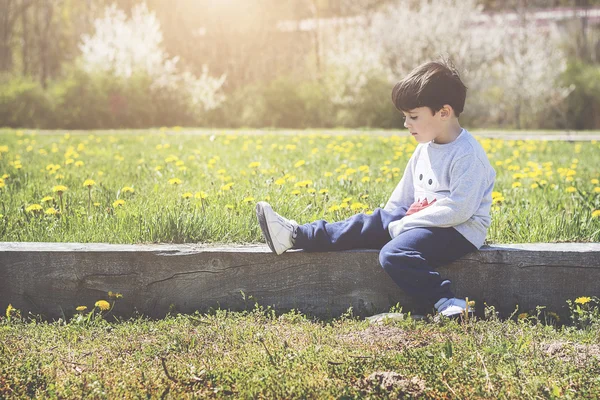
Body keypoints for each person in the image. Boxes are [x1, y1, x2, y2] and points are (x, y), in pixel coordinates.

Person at [255, 60, 496, 318]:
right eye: (405, 117)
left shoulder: (467, 155)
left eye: (413, 117)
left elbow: (459, 209)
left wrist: (406, 223)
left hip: (459, 230)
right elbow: (403, 196)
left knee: (394, 254)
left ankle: (447, 301)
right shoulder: (424, 149)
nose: (406, 124)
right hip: (422, 221)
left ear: (444, 112)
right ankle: (296, 235)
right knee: (366, 223)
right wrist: (387, 221)